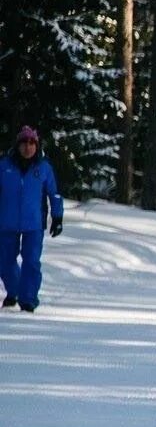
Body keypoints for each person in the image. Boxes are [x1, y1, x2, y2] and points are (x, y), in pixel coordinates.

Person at [1, 126, 65, 313]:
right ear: (18, 145)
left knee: (31, 261)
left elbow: (55, 194)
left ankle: (28, 299)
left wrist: (57, 217)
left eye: (31, 143)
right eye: (24, 143)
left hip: (34, 224)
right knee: (4, 262)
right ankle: (14, 291)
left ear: (37, 146)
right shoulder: (4, 166)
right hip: (6, 222)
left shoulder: (43, 167)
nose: (27, 148)